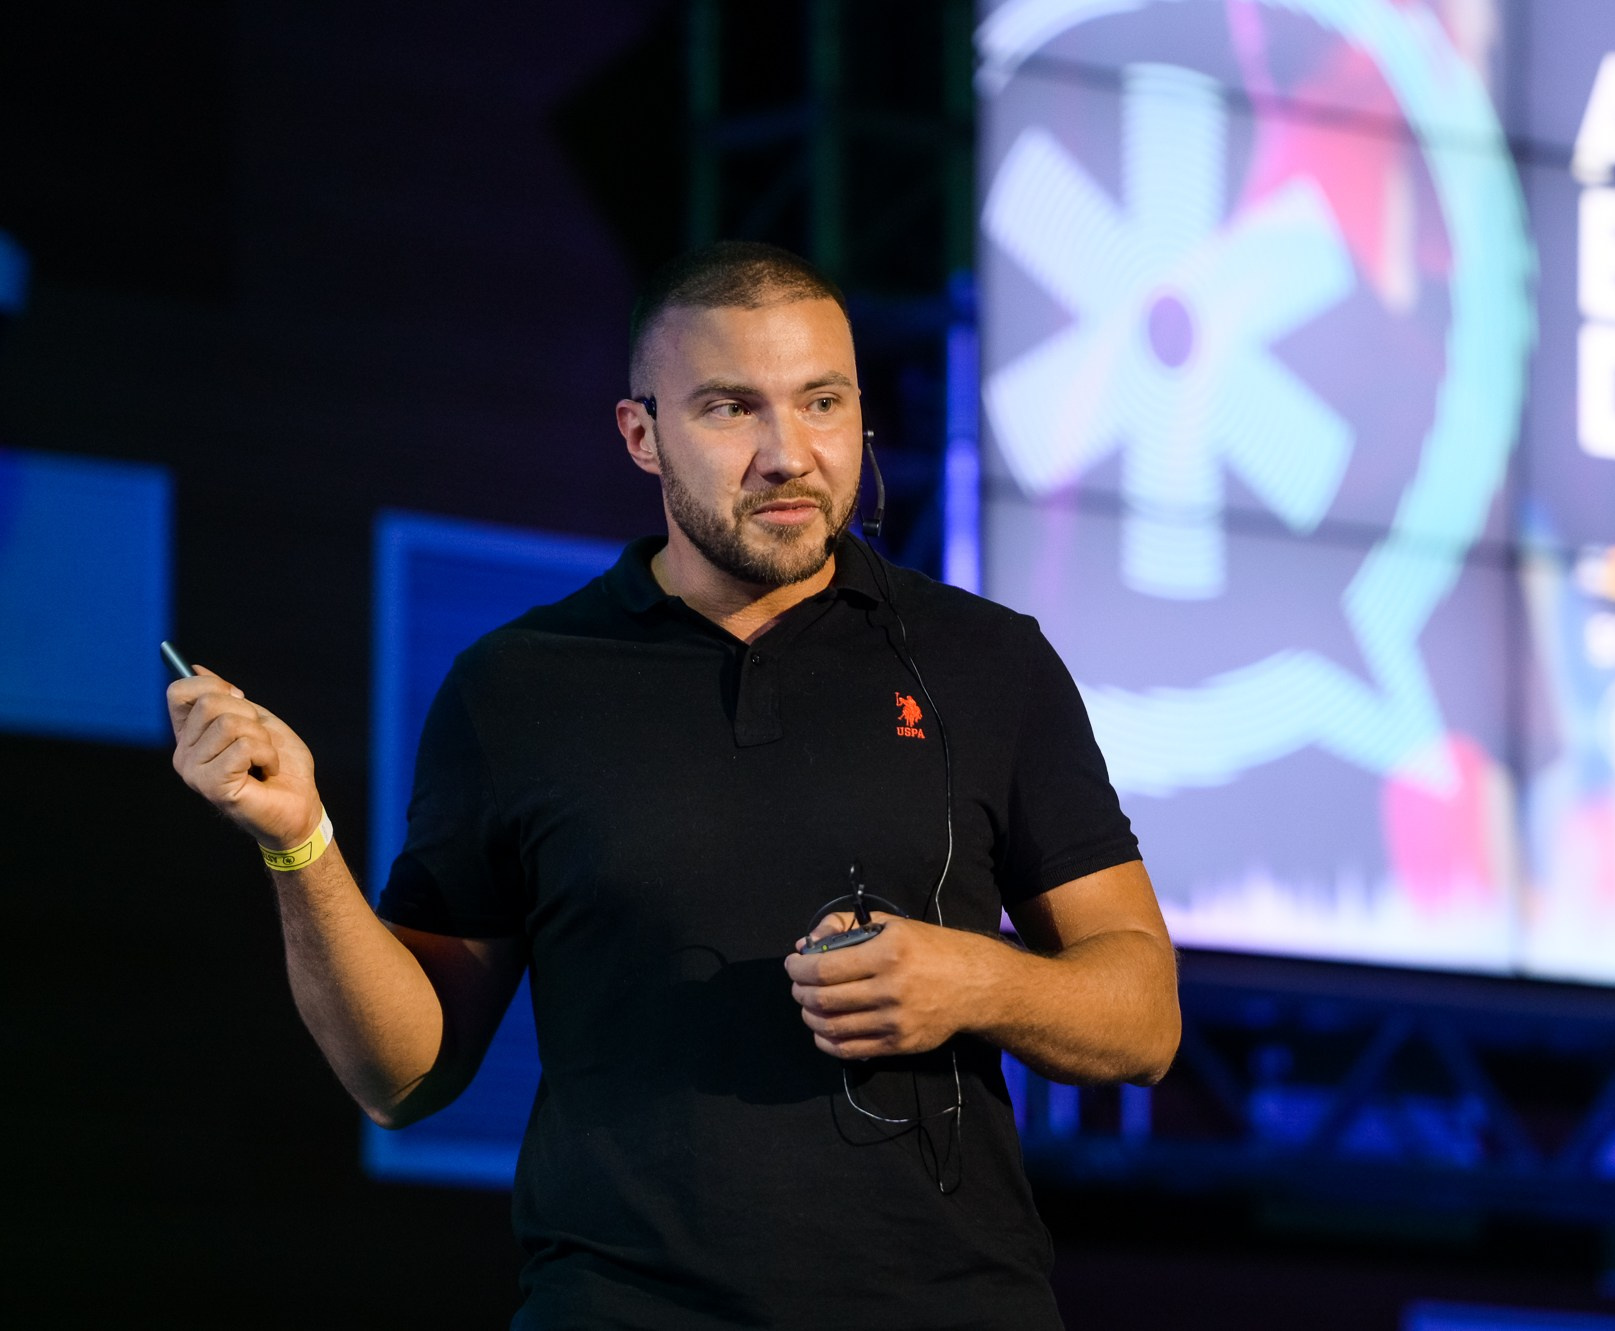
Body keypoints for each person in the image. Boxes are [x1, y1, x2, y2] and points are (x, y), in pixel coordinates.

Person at [167, 240, 1180, 1329]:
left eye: (822, 402)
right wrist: (300, 841)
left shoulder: (989, 661)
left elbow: (1143, 1016)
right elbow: (403, 1074)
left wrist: (976, 981)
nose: (788, 453)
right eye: (731, 409)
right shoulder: (519, 686)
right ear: (640, 434)